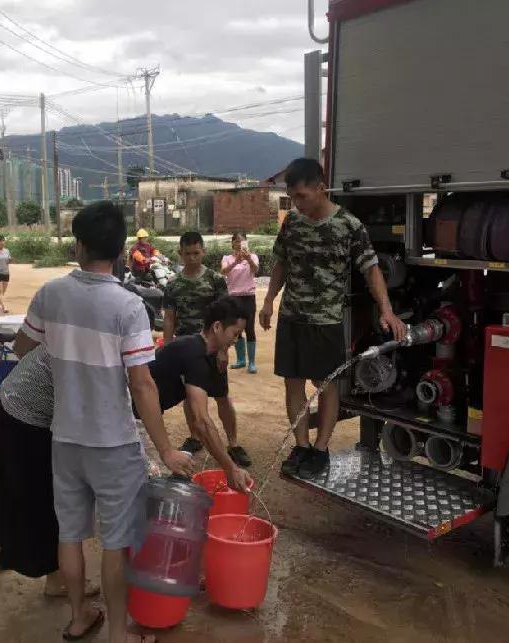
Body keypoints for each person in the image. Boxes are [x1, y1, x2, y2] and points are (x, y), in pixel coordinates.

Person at [14, 201, 193, 643]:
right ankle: (117, 634)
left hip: (65, 439)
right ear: (119, 252)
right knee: (115, 543)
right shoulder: (129, 306)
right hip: (113, 444)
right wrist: (167, 448)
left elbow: (21, 348)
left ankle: (78, 618)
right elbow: (142, 384)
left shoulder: (50, 294)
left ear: (79, 245)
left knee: (70, 533)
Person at [260, 158, 407, 479]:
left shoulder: (349, 226)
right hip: (292, 317)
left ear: (320, 188)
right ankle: (301, 446)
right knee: (293, 382)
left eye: (301, 196)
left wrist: (386, 308)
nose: (296, 204)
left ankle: (321, 449)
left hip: (326, 321)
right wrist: (270, 300)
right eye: (292, 197)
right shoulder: (293, 224)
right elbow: (281, 263)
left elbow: (371, 269)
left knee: (325, 386)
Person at [0, 343, 99, 598]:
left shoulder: (74, 333)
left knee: (6, 485)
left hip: (8, 404)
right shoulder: (91, 354)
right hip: (29, 422)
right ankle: (56, 580)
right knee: (47, 499)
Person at [146, 296, 253, 492]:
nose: (235, 340)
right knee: (155, 482)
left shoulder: (199, 349)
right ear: (218, 327)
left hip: (136, 414)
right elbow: (201, 422)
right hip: (126, 418)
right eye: (235, 334)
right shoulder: (195, 356)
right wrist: (231, 469)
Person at [163, 231, 251, 468]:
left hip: (212, 348)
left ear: (203, 252)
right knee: (189, 400)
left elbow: (227, 317)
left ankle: (233, 444)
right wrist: (169, 347)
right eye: (187, 254)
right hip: (185, 351)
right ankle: (195, 437)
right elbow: (170, 319)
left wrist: (223, 351)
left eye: (196, 253)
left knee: (221, 395)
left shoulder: (214, 280)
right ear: (180, 254)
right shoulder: (173, 285)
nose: (192, 258)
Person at [221, 232, 260, 374]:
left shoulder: (253, 256)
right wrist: (236, 261)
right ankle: (241, 359)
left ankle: (252, 362)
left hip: (248, 297)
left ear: (246, 243)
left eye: (242, 241)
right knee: (235, 329)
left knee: (250, 328)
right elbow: (224, 271)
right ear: (232, 243)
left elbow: (255, 270)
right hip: (233, 297)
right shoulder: (227, 258)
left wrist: (248, 259)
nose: (239, 244)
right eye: (236, 241)